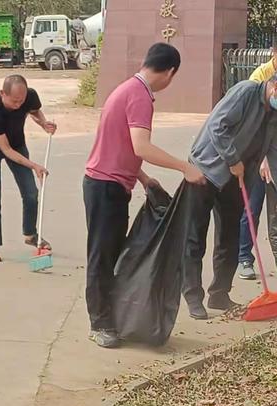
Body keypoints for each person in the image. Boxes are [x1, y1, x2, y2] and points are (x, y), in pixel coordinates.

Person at [83, 43, 205, 348]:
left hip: (109, 183)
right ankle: (99, 324)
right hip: (105, 186)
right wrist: (183, 167)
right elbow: (141, 146)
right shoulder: (139, 96)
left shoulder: (127, 89)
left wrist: (144, 179)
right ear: (170, 72)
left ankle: (111, 317)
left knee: (111, 254)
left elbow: (121, 144)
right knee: (102, 256)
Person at [182, 73, 277, 320]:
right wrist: (233, 159)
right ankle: (193, 296)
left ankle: (220, 293)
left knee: (229, 237)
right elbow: (218, 125)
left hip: (237, 180)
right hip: (205, 171)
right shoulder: (245, 92)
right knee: (195, 237)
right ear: (274, 86)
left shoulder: (273, 115)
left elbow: (272, 150)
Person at [0, 74, 56, 262]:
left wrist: (43, 123)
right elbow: (5, 150)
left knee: (31, 192)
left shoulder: (29, 96)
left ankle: (30, 234)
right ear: (2, 94)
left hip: (17, 144)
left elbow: (35, 111)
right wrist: (34, 165)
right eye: (14, 101)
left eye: (21, 101)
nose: (18, 105)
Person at [238, 43, 277, 280]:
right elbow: (255, 125)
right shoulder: (260, 78)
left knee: (274, 218)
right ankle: (244, 258)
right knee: (252, 208)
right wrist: (262, 159)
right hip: (257, 158)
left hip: (274, 157)